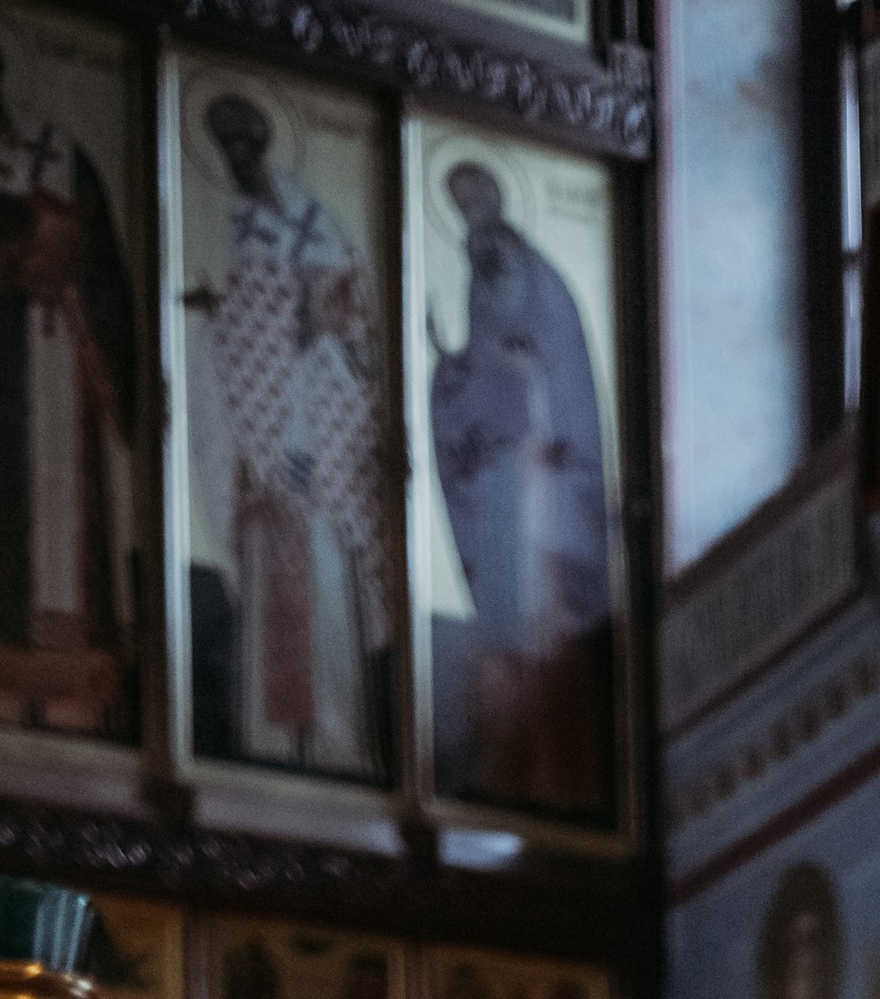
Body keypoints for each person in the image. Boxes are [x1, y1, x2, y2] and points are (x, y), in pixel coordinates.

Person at [0, 17, 139, 733]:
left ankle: (76, 687)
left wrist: (59, 261)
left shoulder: (59, 152)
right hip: (2, 361)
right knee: (4, 506)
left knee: (65, 513)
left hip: (59, 350)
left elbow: (100, 258)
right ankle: (1, 682)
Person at [183, 89, 391, 776]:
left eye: (246, 142)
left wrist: (324, 323)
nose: (238, 157)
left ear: (265, 143)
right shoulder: (236, 230)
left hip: (326, 438)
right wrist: (219, 317)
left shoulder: (319, 223)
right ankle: (272, 741)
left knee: (330, 588)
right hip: (267, 447)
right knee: (275, 587)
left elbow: (356, 327)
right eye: (226, 146)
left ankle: (337, 739)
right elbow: (242, 331)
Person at [427, 156, 610, 809]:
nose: (471, 211)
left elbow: (544, 360)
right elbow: (485, 359)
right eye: (460, 201)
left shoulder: (530, 273)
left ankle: (551, 767)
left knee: (542, 617)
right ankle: (513, 762)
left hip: (537, 473)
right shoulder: (484, 263)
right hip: (505, 473)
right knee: (508, 621)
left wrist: (513, 377)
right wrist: (455, 369)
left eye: (476, 195)